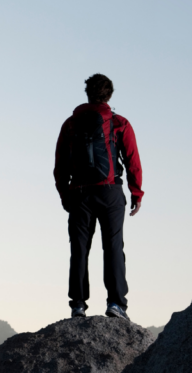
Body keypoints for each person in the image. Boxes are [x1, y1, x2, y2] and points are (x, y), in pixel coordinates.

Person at [53, 74, 143, 321]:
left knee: (79, 249)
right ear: (109, 95)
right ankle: (116, 303)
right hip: (110, 191)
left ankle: (78, 305)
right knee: (113, 245)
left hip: (79, 193)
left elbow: (60, 165)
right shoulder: (118, 122)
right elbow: (133, 160)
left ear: (88, 94)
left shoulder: (70, 124)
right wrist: (137, 192)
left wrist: (65, 194)